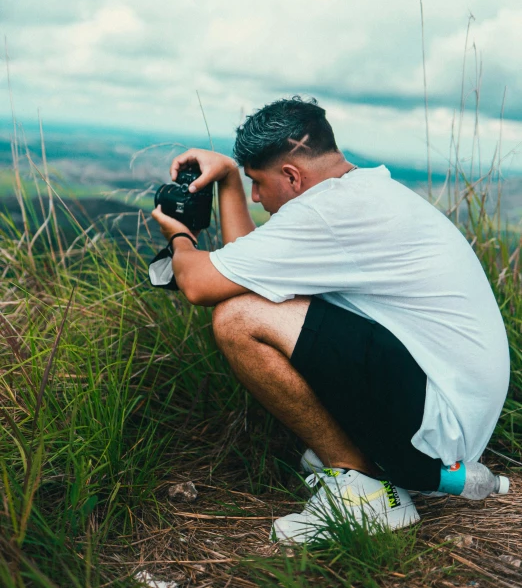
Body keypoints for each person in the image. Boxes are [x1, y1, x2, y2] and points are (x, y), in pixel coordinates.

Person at [151, 96, 510, 543]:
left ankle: (368, 491)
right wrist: (228, 179)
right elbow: (250, 271)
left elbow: (201, 285)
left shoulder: (327, 214)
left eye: (258, 185)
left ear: (291, 176)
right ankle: (370, 460)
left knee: (237, 317)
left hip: (439, 431)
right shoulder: (358, 193)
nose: (258, 197)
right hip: (448, 401)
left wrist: (180, 237)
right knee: (257, 301)